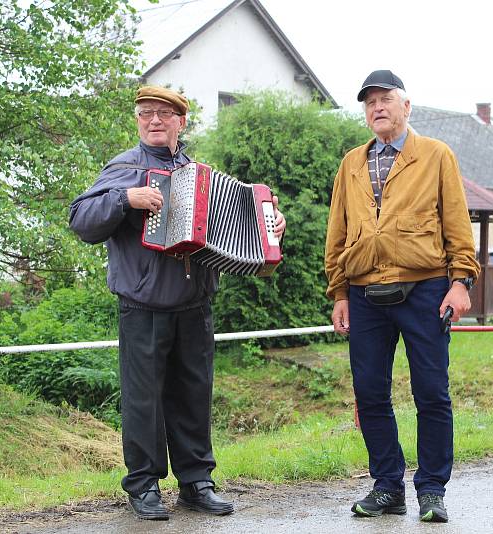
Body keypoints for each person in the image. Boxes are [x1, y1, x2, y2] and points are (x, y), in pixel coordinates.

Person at [69, 86, 286, 521]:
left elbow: (243, 219)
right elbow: (81, 219)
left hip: (195, 305)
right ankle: (144, 484)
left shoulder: (197, 172)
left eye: (163, 114)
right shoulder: (124, 169)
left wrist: (271, 223)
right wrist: (124, 199)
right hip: (143, 305)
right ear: (137, 121)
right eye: (146, 113)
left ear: (180, 122)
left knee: (193, 395)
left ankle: (196, 482)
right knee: (143, 399)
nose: (154, 120)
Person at [324, 70, 480, 523]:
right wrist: (339, 292)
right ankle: (387, 485)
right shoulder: (352, 162)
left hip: (426, 288)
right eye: (369, 102)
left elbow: (456, 223)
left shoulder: (435, 155)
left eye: (386, 99)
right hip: (364, 291)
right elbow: (338, 232)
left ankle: (432, 489)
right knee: (370, 392)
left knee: (431, 392)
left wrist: (461, 281)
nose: (377, 107)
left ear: (406, 106)